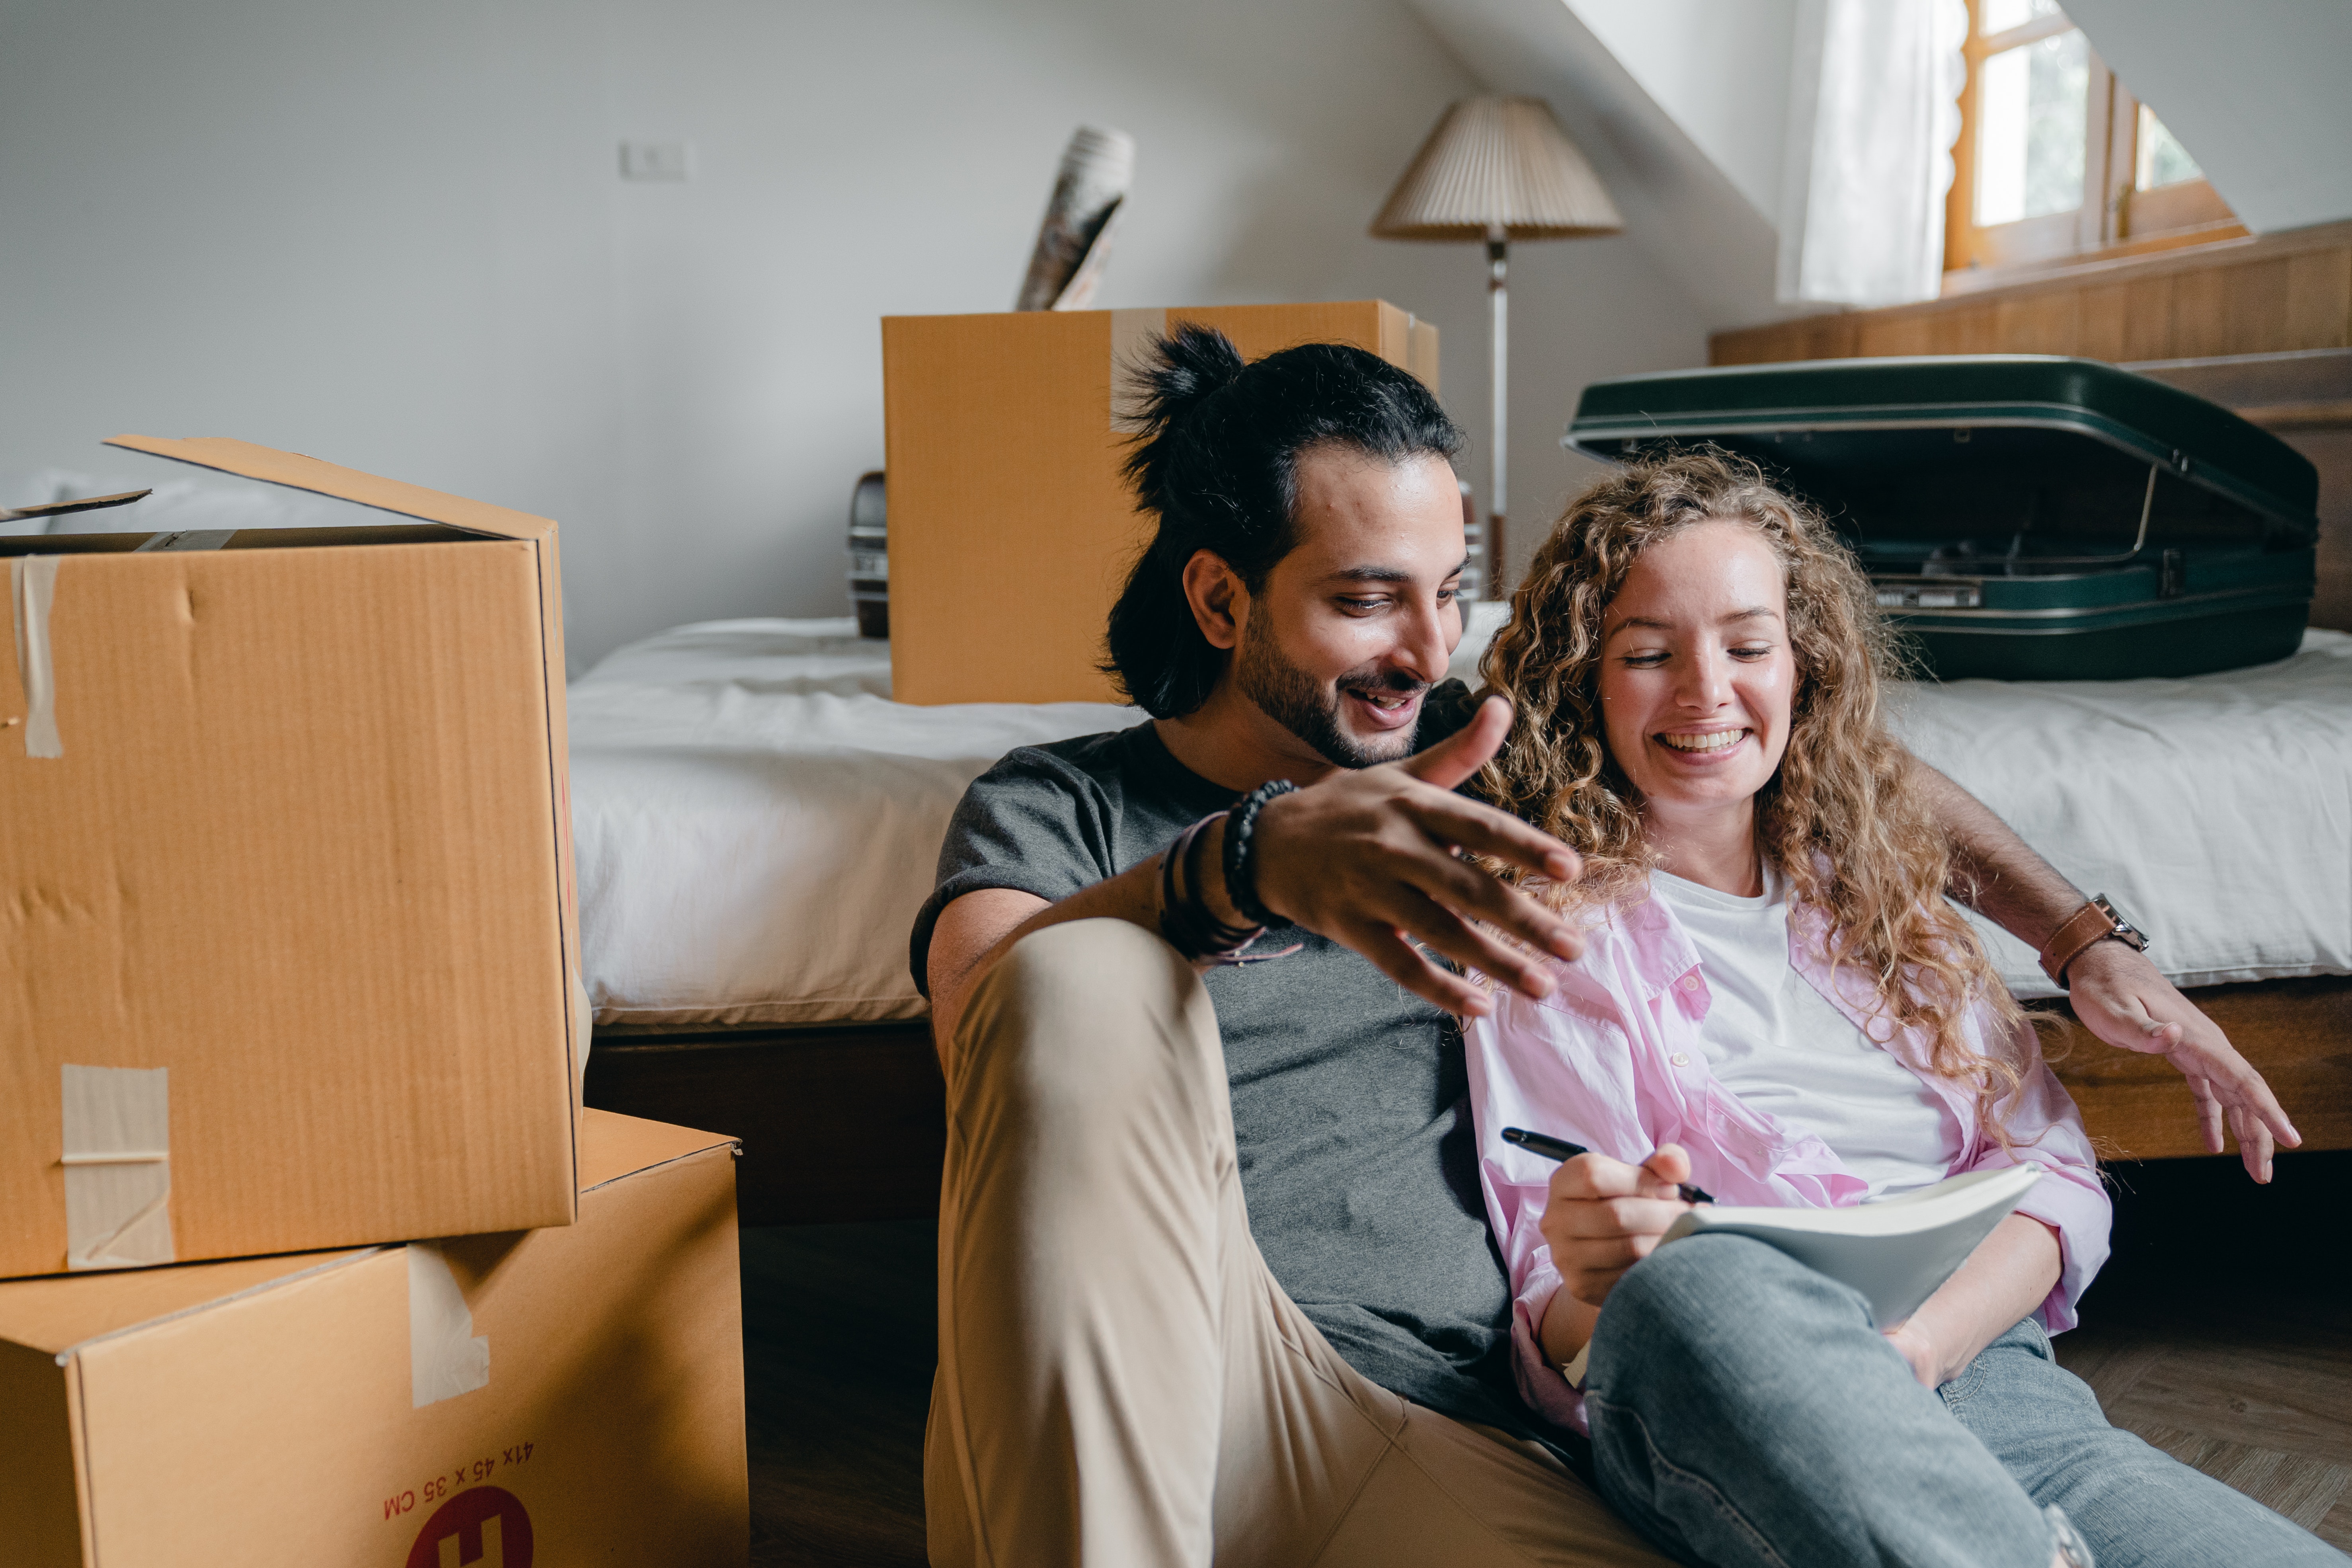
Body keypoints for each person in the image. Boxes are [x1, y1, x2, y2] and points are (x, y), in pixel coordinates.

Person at [909, 326, 2303, 1568]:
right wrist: (1249, 864)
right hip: (1205, 1373)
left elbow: (1814, 757)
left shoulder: (1465, 751)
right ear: (1221, 603)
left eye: (1453, 590)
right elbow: (994, 1020)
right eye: (1365, 598)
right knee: (1083, 973)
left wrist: (2079, 931)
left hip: (1476, 1431)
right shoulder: (1066, 802)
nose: (1429, 645)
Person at [1464, 447, 2343, 1568]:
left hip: (1995, 1382)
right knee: (1698, 1295)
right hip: (1752, 1399)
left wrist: (1922, 1349)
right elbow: (1568, 1312)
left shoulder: (1880, 891)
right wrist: (1608, 1278)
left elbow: (2056, 1182)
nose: (1705, 692)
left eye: (1747, 644)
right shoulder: (1549, 932)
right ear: (1585, 674)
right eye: (1647, 653)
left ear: (1804, 665)